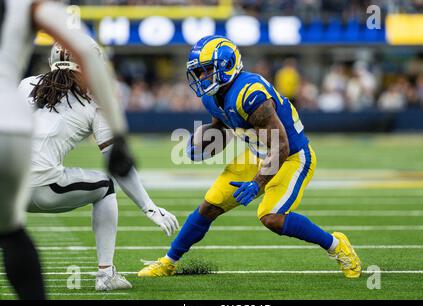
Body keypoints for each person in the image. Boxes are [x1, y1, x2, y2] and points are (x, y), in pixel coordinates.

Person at [137, 35, 361, 279]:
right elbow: (222, 127)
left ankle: (336, 245)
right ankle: (169, 262)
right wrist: (204, 141)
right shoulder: (212, 96)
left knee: (271, 217)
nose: (201, 78)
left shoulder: (250, 94)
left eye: (207, 70)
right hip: (257, 153)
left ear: (227, 65)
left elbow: (281, 146)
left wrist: (257, 184)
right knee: (209, 206)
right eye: (199, 72)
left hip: (292, 157)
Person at [18, 41, 179, 291]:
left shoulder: (26, 84)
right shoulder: (95, 98)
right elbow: (117, 161)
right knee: (105, 187)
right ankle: (106, 275)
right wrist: (149, 207)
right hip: (42, 186)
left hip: (6, 185)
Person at [0, 0, 134, 299]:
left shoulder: (30, 83)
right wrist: (119, 132)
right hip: (9, 129)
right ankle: (105, 273)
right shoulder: (27, 6)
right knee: (11, 233)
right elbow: (84, 52)